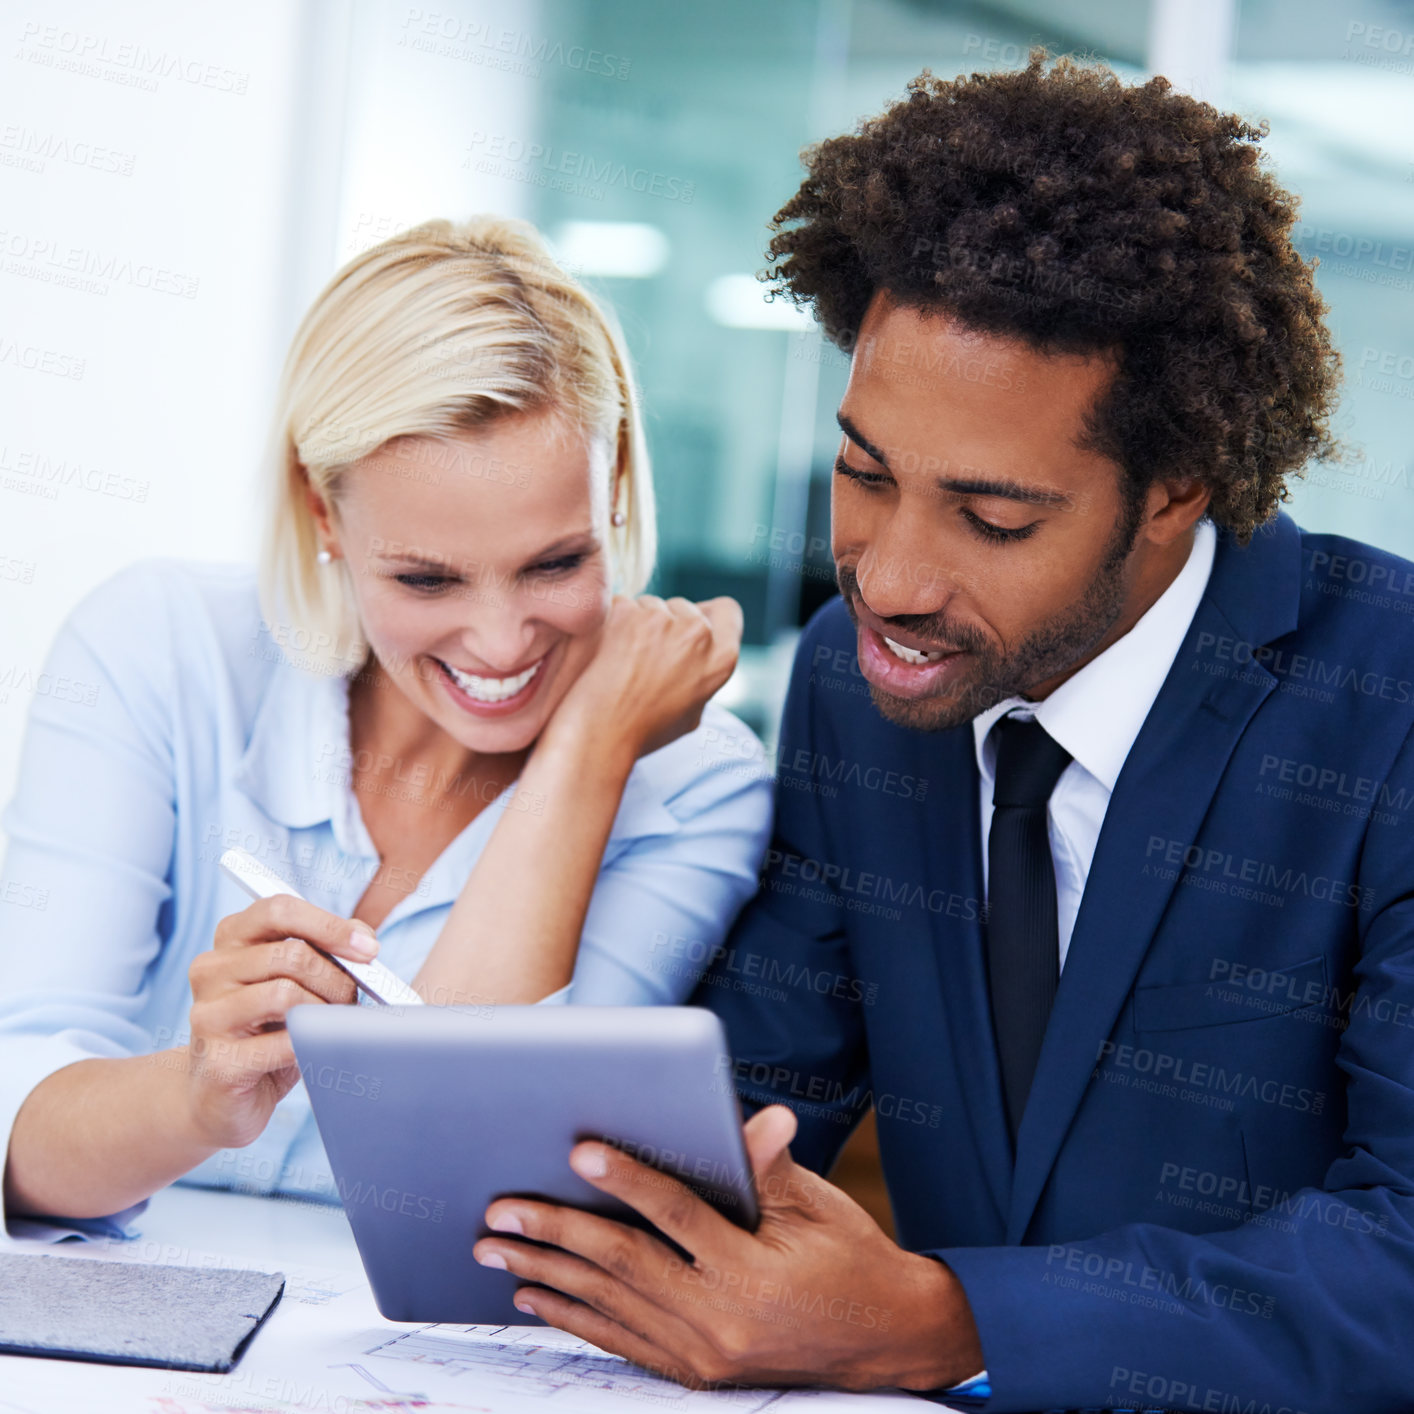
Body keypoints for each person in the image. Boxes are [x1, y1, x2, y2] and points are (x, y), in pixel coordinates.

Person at [461, 55, 1414, 1413]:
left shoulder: (1385, 706)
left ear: (1177, 485)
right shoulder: (860, 690)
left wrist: (947, 1319)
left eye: (993, 518)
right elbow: (746, 1109)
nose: (888, 578)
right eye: (861, 473)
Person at [0, 216, 772, 1240]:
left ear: (616, 483)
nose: (499, 644)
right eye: (425, 578)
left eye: (554, 564)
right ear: (321, 513)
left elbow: (474, 1186)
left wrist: (586, 752)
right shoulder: (157, 648)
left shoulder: (698, 782)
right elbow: (21, 1137)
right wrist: (194, 1098)